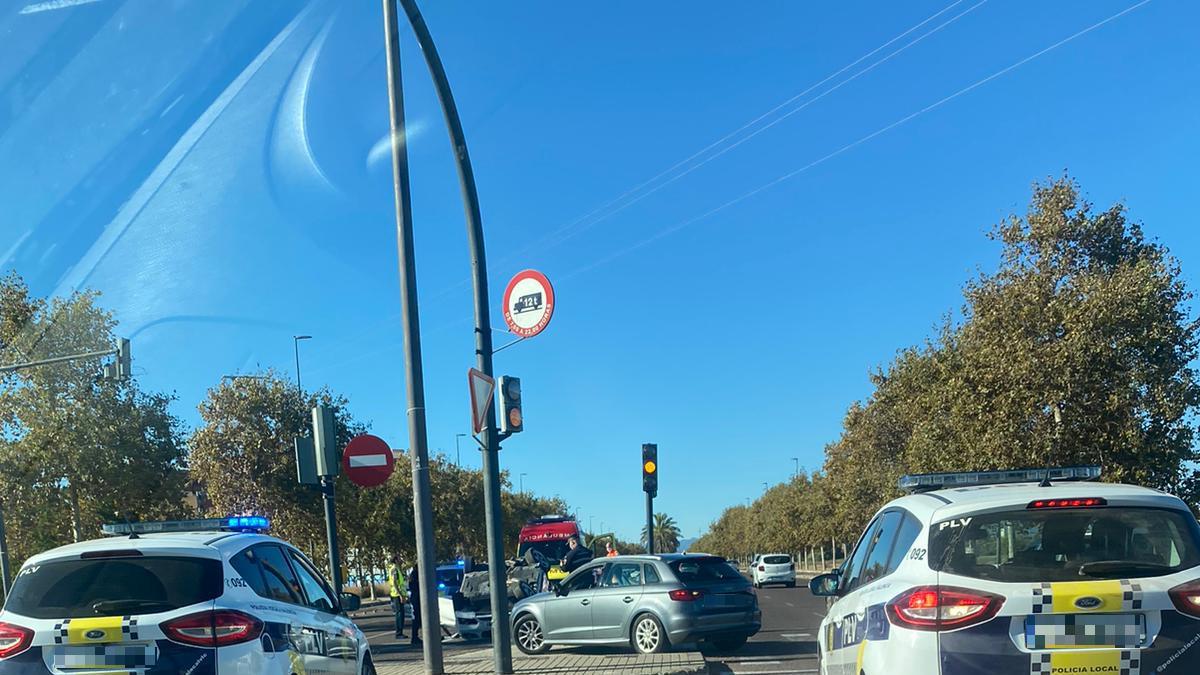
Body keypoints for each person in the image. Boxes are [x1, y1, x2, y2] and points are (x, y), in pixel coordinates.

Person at [387, 554, 408, 639]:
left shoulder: (398, 568)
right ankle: (398, 633)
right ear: (395, 560)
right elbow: (395, 582)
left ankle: (400, 632)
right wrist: (400, 595)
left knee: (401, 614)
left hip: (399, 594)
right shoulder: (394, 569)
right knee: (399, 614)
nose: (401, 559)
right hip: (396, 594)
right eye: (399, 558)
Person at [407, 564, 422, 646]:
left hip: (416, 598)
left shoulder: (414, 574)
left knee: (418, 619)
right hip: (417, 598)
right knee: (417, 618)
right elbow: (414, 586)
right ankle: (414, 637)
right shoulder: (416, 574)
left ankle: (415, 637)